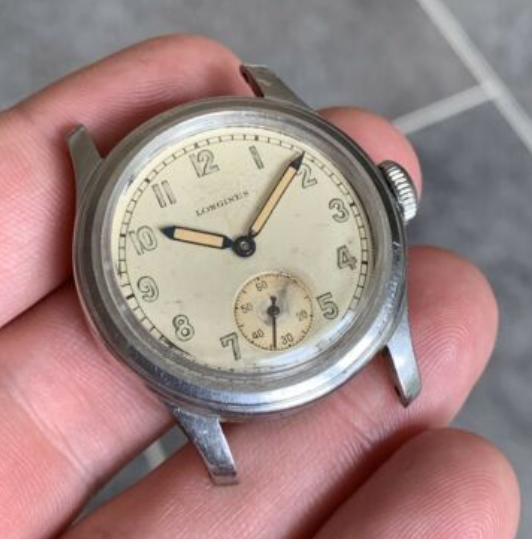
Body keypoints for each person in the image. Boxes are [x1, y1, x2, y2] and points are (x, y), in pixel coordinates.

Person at [0, 35, 520, 539]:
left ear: (389, 191)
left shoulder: (311, 167)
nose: (244, 245)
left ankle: (398, 371)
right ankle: (221, 454)